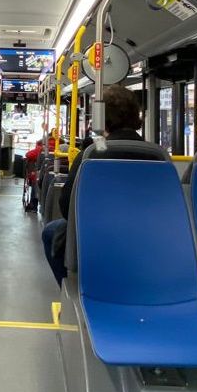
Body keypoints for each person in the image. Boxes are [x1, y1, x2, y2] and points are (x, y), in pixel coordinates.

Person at [41, 85, 144, 285]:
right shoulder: (158, 156)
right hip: (145, 236)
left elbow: (66, 205)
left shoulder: (92, 154)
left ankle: (71, 288)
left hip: (97, 235)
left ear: (101, 118)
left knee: (51, 231)